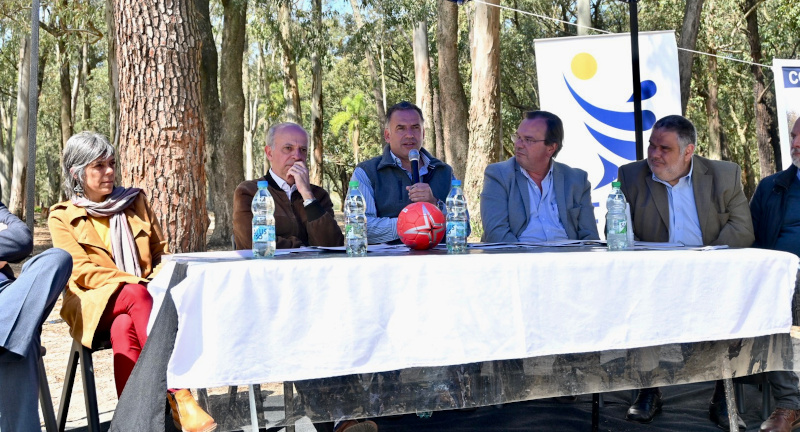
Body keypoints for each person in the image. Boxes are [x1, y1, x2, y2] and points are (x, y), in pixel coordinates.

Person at [48, 132, 216, 432]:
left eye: (111, 163)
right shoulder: (62, 216)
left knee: (124, 327)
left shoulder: (133, 201)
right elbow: (80, 271)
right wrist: (136, 283)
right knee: (135, 295)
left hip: (139, 303)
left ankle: (134, 425)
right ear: (77, 172)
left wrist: (155, 279)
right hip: (91, 304)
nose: (109, 171)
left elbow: (159, 252)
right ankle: (179, 393)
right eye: (98, 166)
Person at [617, 115, 754, 429]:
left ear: (688, 151)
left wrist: (707, 261)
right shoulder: (631, 176)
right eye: (652, 145)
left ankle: (724, 393)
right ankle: (649, 389)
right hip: (656, 273)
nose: (654, 153)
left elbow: (742, 229)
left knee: (734, 302)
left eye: (664, 148)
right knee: (641, 300)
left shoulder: (724, 174)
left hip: (711, 268)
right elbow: (619, 231)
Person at [0, 204, 72, 431]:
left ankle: (4, 338)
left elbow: (21, 240)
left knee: (57, 258)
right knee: (23, 341)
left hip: (6, 297)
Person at [351, 101, 464, 244]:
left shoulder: (444, 172)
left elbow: (463, 229)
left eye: (415, 128)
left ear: (423, 133)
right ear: (387, 135)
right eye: (401, 128)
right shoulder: (366, 172)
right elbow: (359, 228)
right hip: (387, 263)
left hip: (436, 261)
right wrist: (412, 223)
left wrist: (435, 204)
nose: (409, 135)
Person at [750, 117, 800, 432]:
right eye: (794, 137)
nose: (796, 144)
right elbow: (750, 236)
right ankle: (790, 404)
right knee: (763, 307)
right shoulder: (772, 186)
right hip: (781, 276)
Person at [480, 110, 599, 242]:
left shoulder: (576, 180)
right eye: (518, 137)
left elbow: (590, 236)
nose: (518, 144)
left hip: (568, 258)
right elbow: (496, 234)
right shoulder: (499, 175)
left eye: (528, 140)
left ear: (551, 148)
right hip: (518, 257)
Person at [233, 122, 343, 250]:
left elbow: (333, 245)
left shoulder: (318, 195)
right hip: (267, 269)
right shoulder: (249, 192)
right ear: (269, 153)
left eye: (302, 150)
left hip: (312, 269)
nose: (297, 156)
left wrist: (307, 196)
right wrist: (303, 247)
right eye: (288, 148)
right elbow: (255, 242)